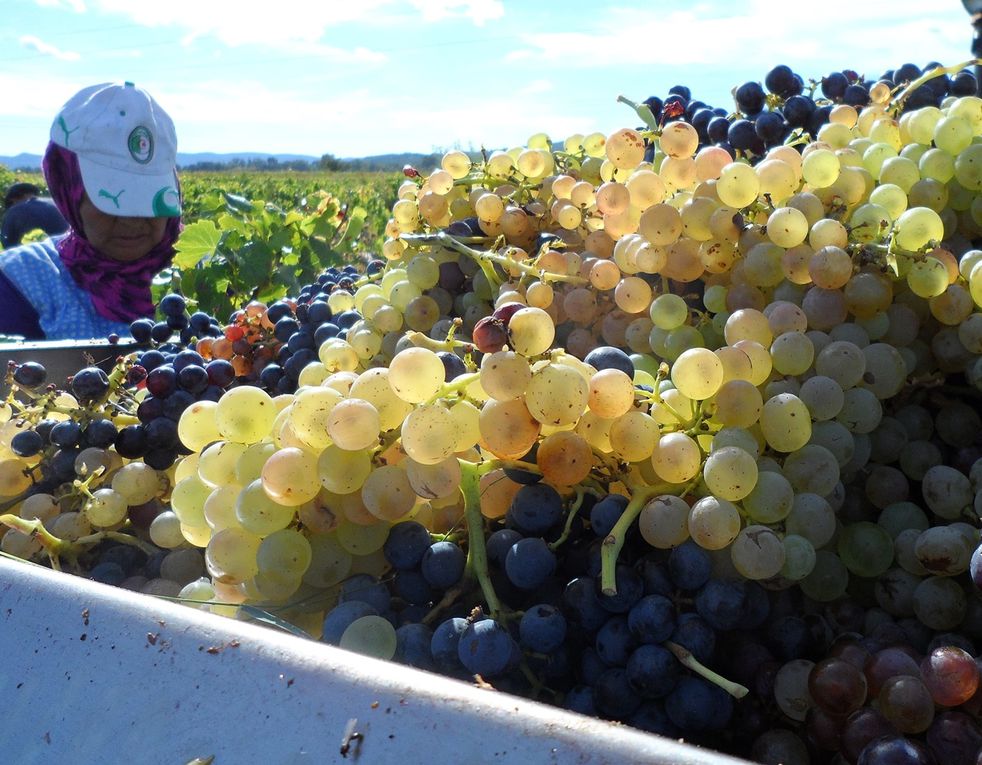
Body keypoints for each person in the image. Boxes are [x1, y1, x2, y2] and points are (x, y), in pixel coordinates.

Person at [0, 81, 182, 340]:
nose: (132, 220)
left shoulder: (214, 275)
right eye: (112, 199)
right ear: (67, 191)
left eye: (147, 198)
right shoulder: (21, 282)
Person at [1, 182, 68, 248]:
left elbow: (7, 243)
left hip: (38, 254)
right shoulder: (56, 203)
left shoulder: (15, 211)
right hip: (68, 251)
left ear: (13, 199)